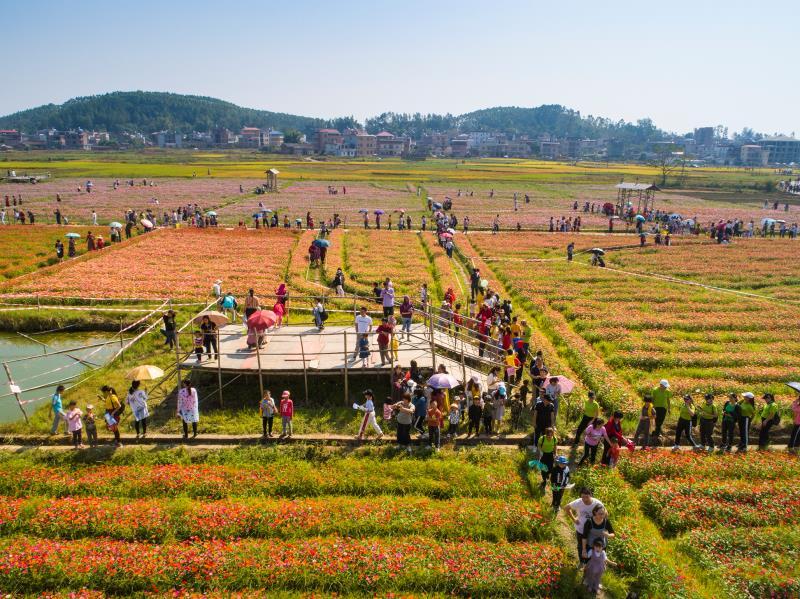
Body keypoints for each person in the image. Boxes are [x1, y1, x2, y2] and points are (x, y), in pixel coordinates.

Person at [565, 487, 605, 565]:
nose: (584, 499)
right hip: (580, 528)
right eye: (582, 497)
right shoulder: (578, 502)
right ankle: (581, 562)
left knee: (591, 546)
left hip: (592, 530)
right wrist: (574, 519)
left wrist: (599, 521)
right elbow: (566, 508)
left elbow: (605, 513)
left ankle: (590, 563)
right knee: (580, 546)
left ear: (590, 495)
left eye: (586, 497)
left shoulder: (597, 503)